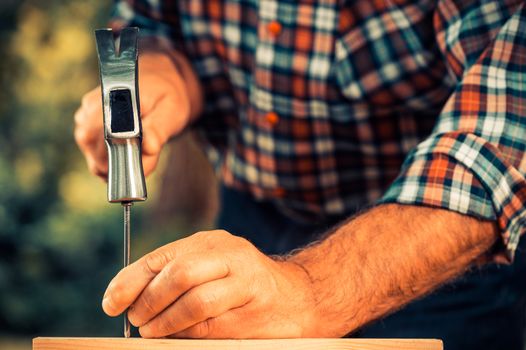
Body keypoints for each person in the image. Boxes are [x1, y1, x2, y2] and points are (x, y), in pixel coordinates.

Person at [74, 1, 526, 349]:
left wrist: (311, 291)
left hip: (432, 248)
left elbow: (506, 127)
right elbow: (152, 23)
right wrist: (167, 73)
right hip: (253, 228)